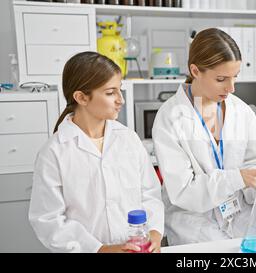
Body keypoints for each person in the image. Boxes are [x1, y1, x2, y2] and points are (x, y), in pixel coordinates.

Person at [152, 28, 256, 245]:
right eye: (221, 79)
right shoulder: (170, 118)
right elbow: (184, 191)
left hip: (240, 217)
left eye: (235, 77)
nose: (231, 88)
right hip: (194, 224)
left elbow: (254, 162)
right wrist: (237, 178)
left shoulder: (241, 110)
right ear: (195, 70)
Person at [29, 52, 164, 253]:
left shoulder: (128, 139)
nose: (121, 100)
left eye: (120, 90)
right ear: (81, 97)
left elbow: (150, 194)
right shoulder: (54, 152)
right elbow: (48, 220)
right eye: (111, 93)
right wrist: (100, 249)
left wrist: (153, 232)